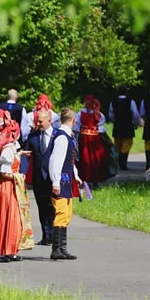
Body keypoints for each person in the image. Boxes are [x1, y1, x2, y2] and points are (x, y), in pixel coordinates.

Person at [0, 119, 35, 263]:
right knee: (9, 216)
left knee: (11, 217)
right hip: (7, 187)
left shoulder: (10, 147)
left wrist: (19, 155)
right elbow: (4, 172)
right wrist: (18, 176)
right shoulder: (7, 149)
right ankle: (4, 251)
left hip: (6, 186)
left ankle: (8, 249)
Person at [49, 108, 81, 260]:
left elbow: (70, 161)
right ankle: (56, 249)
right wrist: (55, 181)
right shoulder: (62, 137)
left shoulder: (67, 136)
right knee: (61, 213)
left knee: (67, 213)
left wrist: (76, 175)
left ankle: (63, 248)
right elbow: (55, 161)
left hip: (67, 179)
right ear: (73, 121)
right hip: (61, 180)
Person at [22, 110, 57, 246]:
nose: (38, 124)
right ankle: (46, 235)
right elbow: (26, 156)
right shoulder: (33, 136)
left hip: (53, 178)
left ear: (49, 120)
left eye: (41, 121)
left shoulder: (57, 136)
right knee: (42, 207)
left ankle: (55, 235)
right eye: (37, 121)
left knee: (53, 207)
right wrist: (23, 173)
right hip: (38, 178)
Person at [74, 95, 110, 185]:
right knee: (94, 158)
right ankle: (93, 180)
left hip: (85, 138)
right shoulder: (97, 114)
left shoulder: (81, 113)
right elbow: (101, 126)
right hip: (93, 138)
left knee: (86, 158)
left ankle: (87, 179)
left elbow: (76, 126)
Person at [108, 88, 141, 171]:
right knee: (126, 145)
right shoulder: (131, 102)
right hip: (128, 126)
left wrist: (115, 120)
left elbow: (111, 114)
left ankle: (118, 164)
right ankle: (123, 164)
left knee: (117, 145)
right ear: (126, 92)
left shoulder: (113, 102)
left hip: (118, 126)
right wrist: (137, 123)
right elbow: (135, 114)